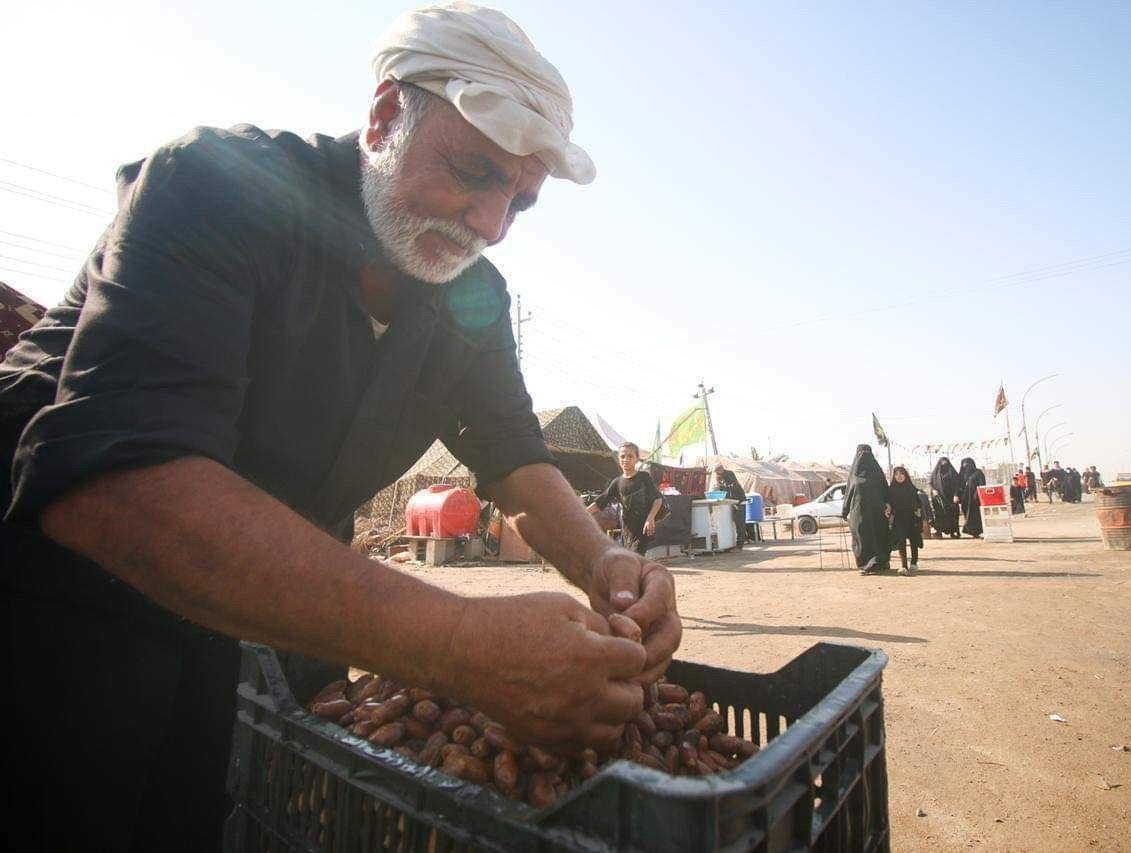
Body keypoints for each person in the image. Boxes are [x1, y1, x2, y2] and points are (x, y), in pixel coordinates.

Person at [0, 7, 680, 849]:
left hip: (274, 611)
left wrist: (604, 560)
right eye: (473, 171)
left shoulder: (475, 296)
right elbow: (119, 492)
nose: (491, 223)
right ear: (386, 114)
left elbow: (513, 455)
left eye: (521, 201)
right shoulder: (217, 185)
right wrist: (461, 643)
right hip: (63, 606)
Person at [589, 443, 663, 554]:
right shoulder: (617, 482)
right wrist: (581, 512)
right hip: (627, 530)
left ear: (637, 459)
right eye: (622, 456)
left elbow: (658, 499)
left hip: (643, 529)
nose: (626, 460)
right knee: (632, 559)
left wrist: (650, 517)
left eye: (630, 456)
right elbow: (600, 502)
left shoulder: (644, 477)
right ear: (618, 458)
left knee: (635, 556)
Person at [842, 444, 892, 574]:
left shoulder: (878, 473)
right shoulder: (853, 475)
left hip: (877, 513)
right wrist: (845, 511)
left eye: (867, 452)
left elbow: (885, 490)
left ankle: (881, 562)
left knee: (879, 535)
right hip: (859, 513)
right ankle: (864, 565)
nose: (864, 456)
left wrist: (888, 504)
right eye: (861, 453)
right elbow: (848, 493)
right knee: (862, 538)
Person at [886, 466, 924, 575]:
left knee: (913, 540)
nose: (899, 476)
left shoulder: (911, 488)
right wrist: (888, 508)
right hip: (899, 518)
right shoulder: (891, 489)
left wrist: (918, 511)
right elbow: (889, 502)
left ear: (906, 475)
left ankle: (914, 563)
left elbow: (918, 502)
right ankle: (904, 566)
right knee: (901, 541)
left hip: (912, 518)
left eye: (902, 474)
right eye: (896, 474)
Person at [709, 462, 752, 547]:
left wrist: (721, 487)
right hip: (732, 502)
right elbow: (721, 489)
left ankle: (740, 543)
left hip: (739, 501)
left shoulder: (729, 474)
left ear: (721, 469)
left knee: (740, 523)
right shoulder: (720, 477)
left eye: (717, 472)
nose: (717, 474)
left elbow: (730, 488)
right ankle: (736, 541)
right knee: (734, 523)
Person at [929, 457, 962, 538]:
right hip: (939, 498)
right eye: (942, 462)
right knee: (940, 515)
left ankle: (953, 532)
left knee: (953, 515)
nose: (944, 464)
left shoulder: (952, 473)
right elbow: (930, 483)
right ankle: (939, 532)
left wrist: (956, 495)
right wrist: (933, 490)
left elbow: (957, 485)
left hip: (951, 498)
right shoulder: (935, 473)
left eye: (945, 462)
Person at [957, 457, 987, 538]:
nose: (965, 466)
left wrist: (977, 495)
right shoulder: (961, 474)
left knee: (975, 515)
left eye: (967, 464)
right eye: (964, 464)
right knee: (967, 515)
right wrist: (959, 495)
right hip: (965, 499)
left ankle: (976, 532)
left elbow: (982, 484)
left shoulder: (978, 472)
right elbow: (958, 486)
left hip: (975, 498)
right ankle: (970, 531)